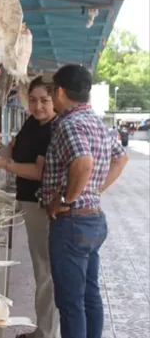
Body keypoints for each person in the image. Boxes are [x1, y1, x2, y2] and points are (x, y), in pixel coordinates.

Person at [39, 65, 129, 338]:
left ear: (61, 92)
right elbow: (121, 157)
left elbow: (84, 162)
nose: (52, 96)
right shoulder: (95, 122)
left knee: (70, 303)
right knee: (89, 296)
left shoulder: (70, 124)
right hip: (93, 219)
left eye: (52, 91)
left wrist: (67, 199)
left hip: (72, 222)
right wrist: (94, 190)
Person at [0, 77, 60, 338]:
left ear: (56, 98)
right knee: (40, 269)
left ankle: (46, 332)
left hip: (42, 205)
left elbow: (38, 171)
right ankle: (42, 330)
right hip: (27, 202)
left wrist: (2, 165)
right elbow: (14, 153)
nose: (38, 106)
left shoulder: (54, 129)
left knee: (46, 273)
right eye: (33, 100)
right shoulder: (32, 123)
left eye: (45, 100)